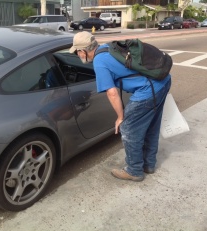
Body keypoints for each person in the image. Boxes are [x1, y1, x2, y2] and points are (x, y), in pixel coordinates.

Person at [69, 31, 171, 182]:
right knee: (151, 126)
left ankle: (134, 170)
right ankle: (149, 164)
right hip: (163, 81)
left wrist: (120, 117)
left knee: (128, 128)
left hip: (148, 90)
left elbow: (112, 93)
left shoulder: (99, 62)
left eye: (77, 51)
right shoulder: (107, 47)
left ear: (83, 50)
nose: (77, 55)